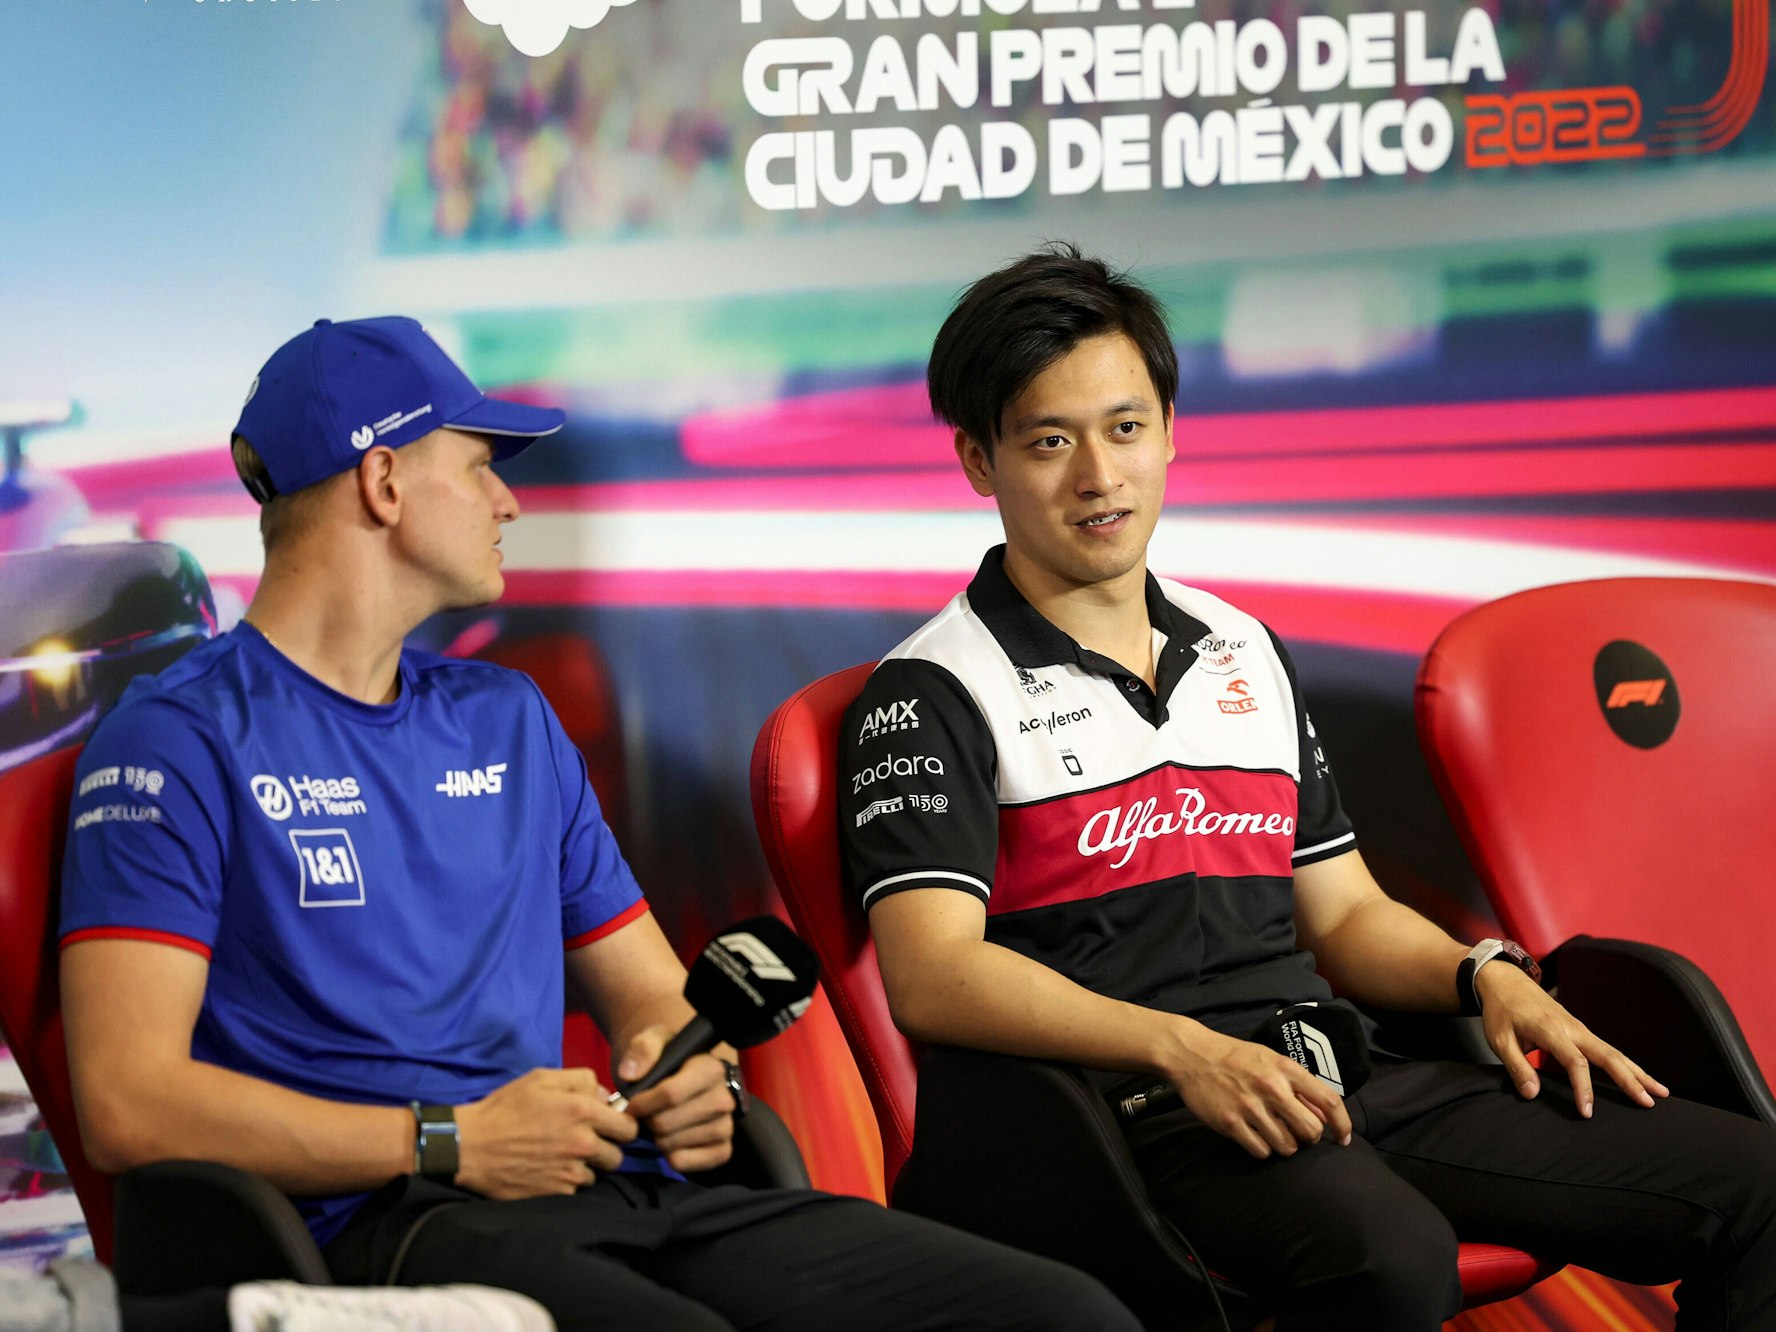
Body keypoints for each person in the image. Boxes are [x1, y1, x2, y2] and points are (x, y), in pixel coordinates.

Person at [59, 316, 1139, 1332]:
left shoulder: (507, 720)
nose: (508, 502)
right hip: (386, 1229)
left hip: (614, 1193)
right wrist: (449, 1142)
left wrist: (684, 1075)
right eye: (481, 464)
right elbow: (128, 1105)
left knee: (1064, 1315)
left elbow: (653, 1000)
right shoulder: (179, 739)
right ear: (383, 480)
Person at [837, 245, 1776, 1330]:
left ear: (1171, 432)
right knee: (1390, 1261)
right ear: (978, 461)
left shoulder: (1240, 646)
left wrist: (1484, 976)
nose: (1098, 476)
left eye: (1126, 428)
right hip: (1132, 1112)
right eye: (1050, 441)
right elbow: (933, 974)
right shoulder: (931, 690)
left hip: (1336, 1072)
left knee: (1755, 1187)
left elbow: (1346, 913)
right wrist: (1177, 1046)